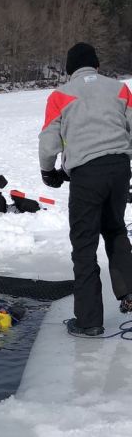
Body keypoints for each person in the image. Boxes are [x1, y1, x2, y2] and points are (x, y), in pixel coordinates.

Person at [39, 41, 132, 337]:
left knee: (84, 244)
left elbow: (49, 142)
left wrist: (48, 172)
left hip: (87, 173)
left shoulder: (59, 95)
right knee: (115, 229)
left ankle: (89, 321)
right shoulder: (120, 89)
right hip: (120, 167)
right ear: (97, 65)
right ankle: (130, 293)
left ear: (69, 70)